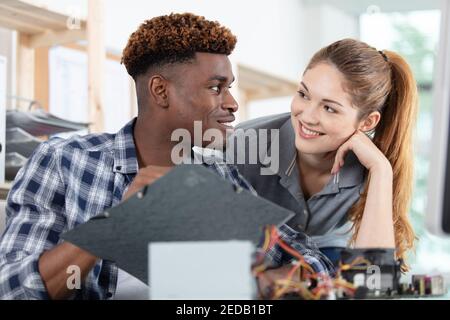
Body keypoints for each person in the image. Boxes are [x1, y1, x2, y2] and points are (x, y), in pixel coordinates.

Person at [0, 13, 333, 300]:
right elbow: (12, 289)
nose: (232, 103)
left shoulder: (218, 173)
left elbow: (315, 267)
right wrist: (113, 225)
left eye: (230, 87)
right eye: (216, 87)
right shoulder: (63, 161)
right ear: (160, 91)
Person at [230, 38, 418, 270]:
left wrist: (381, 170)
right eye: (303, 94)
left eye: (329, 108)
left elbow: (374, 274)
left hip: (328, 255)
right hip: (260, 254)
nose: (307, 116)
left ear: (367, 122)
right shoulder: (245, 143)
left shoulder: (370, 166)